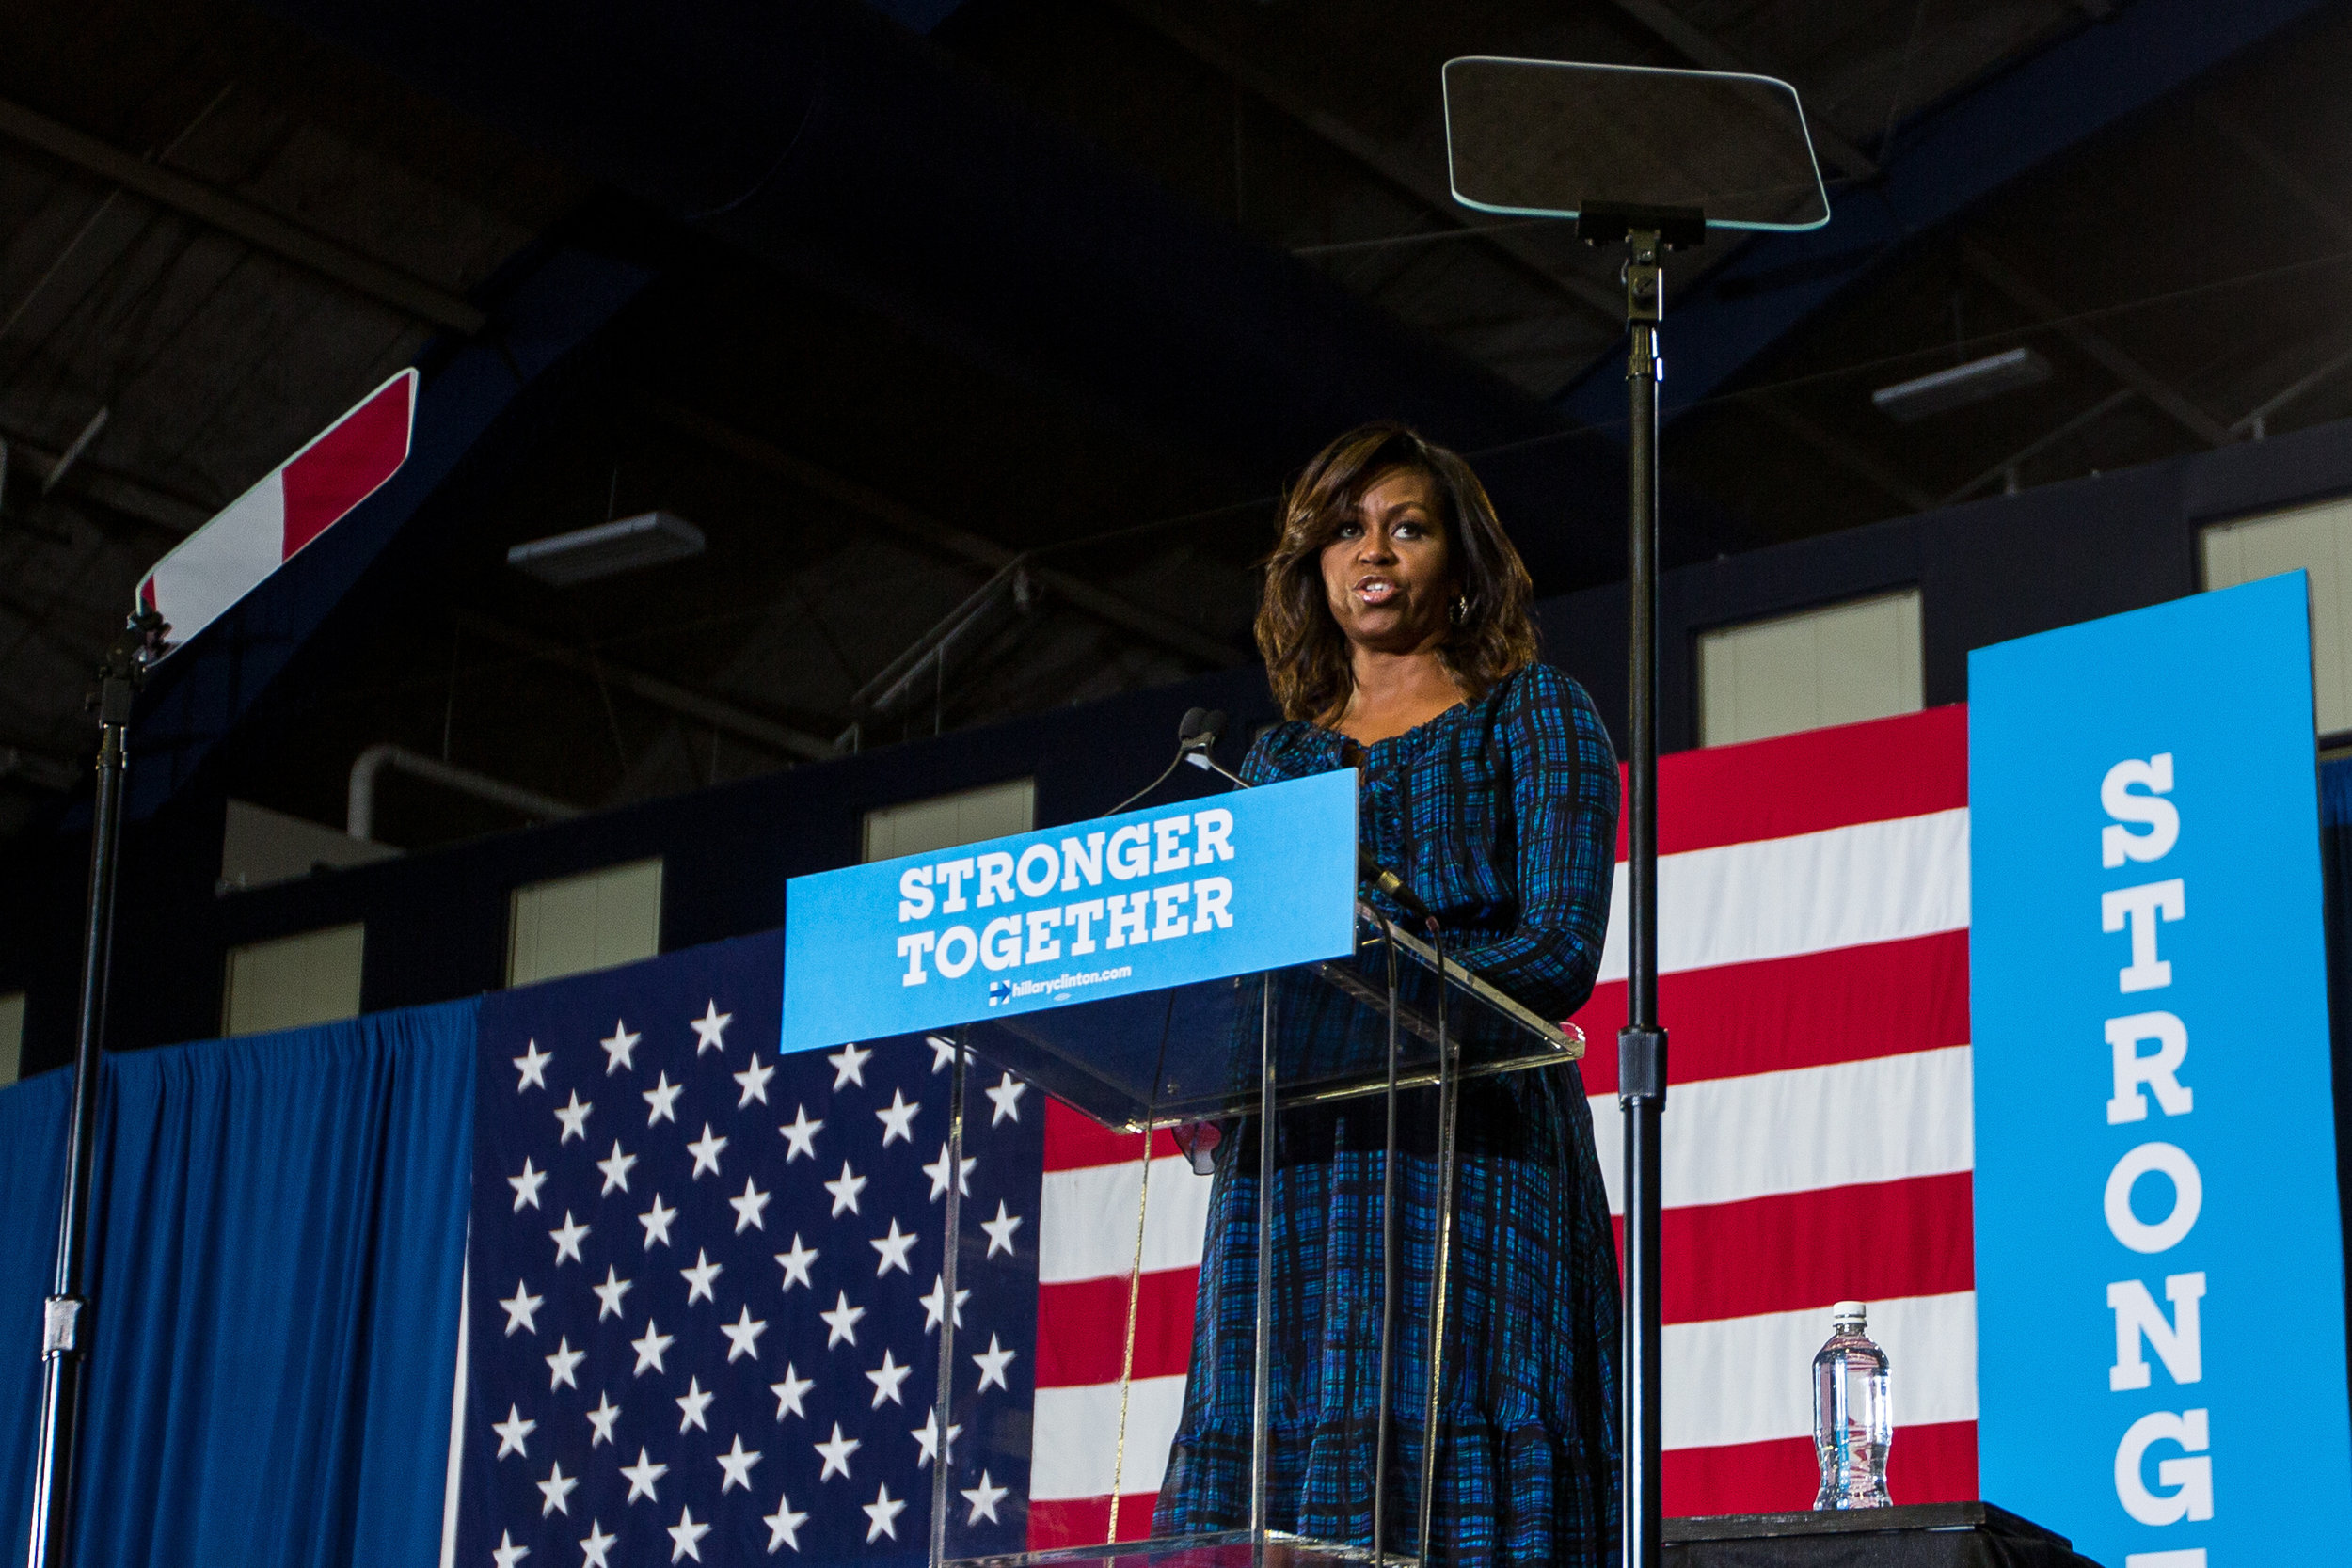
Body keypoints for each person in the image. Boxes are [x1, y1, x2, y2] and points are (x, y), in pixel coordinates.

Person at [1153, 421, 1622, 1566]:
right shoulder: (1271, 764)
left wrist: (1389, 977)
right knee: (1288, 1442)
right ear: (1312, 565)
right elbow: (1235, 975)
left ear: (1459, 563)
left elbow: (1558, 948)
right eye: (1346, 529)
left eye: (1407, 527)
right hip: (1299, 1175)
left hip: (1475, 1149)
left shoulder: (1536, 714)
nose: (1375, 551)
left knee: (1456, 1446)